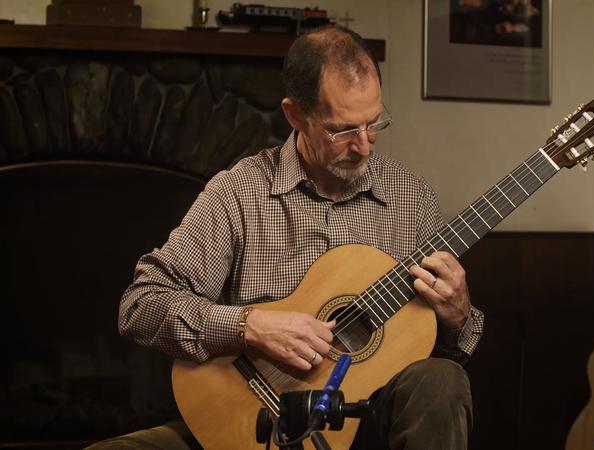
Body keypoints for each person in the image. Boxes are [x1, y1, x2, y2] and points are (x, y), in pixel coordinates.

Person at [89, 25, 484, 450]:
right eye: (342, 130)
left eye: (373, 123)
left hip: (366, 428)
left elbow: (436, 372)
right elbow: (141, 305)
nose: (364, 146)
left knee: (443, 378)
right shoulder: (238, 192)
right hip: (247, 418)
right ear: (295, 115)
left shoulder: (412, 199)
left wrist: (458, 317)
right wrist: (249, 327)